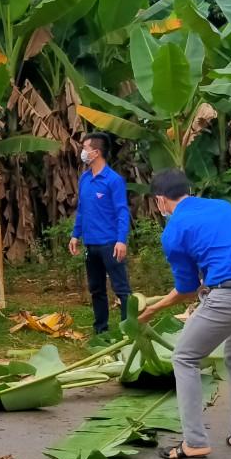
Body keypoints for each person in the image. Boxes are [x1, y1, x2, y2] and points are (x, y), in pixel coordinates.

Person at [138, 169, 231, 459]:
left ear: (160, 201)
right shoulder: (222, 206)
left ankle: (194, 443)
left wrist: (153, 309)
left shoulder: (174, 230)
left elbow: (186, 289)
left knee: (184, 358)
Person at [68, 132, 132, 334]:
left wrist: (121, 240)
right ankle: (101, 330)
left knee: (122, 290)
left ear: (96, 152)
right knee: (96, 289)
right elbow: (82, 209)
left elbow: (122, 211)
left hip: (110, 244)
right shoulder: (85, 179)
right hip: (91, 244)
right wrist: (75, 235)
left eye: (85, 148)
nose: (82, 152)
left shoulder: (113, 180)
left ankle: (128, 330)